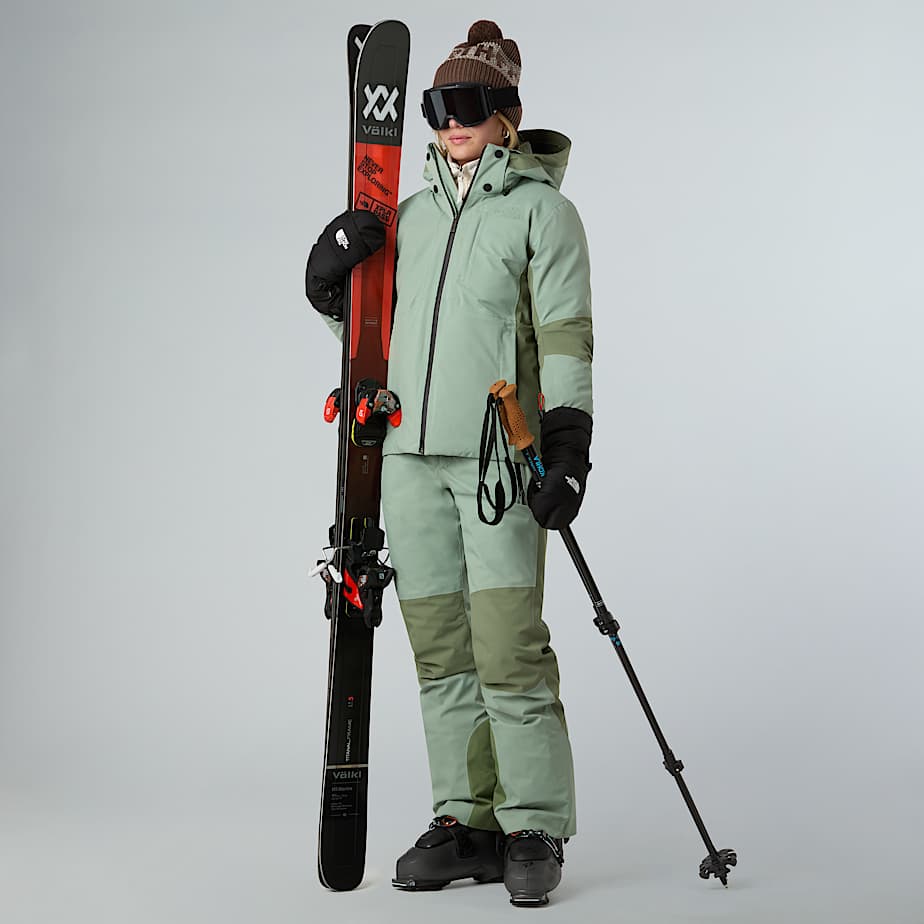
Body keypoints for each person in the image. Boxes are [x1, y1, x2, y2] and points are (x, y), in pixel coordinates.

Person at [305, 20, 594, 908]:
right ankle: (467, 818)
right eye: (436, 106)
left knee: (507, 645)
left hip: (496, 461)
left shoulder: (543, 213)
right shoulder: (414, 216)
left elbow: (566, 337)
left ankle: (532, 823)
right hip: (407, 460)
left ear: (508, 113)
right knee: (441, 650)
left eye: (468, 103)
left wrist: (568, 448)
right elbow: (373, 333)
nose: (450, 121)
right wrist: (329, 288)